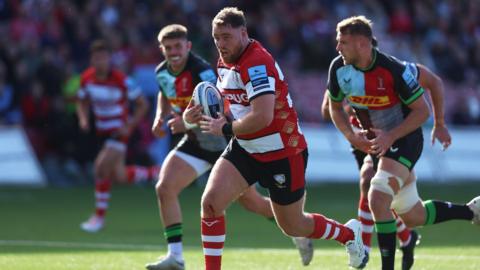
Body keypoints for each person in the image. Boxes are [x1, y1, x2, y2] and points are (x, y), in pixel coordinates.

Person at [196, 7, 369, 270]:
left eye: (226, 37)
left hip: (283, 153)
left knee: (293, 224)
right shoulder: (225, 60)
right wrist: (198, 109)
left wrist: (226, 129)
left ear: (243, 33)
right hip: (246, 148)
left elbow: (262, 116)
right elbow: (232, 101)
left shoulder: (256, 63)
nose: (220, 43)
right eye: (216, 37)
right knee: (210, 204)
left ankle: (348, 234)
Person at [145, 24, 312, 270]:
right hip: (195, 142)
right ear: (162, 50)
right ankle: (176, 257)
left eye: (178, 46)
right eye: (168, 48)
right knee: (165, 187)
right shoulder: (162, 72)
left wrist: (187, 122)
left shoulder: (203, 72)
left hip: (222, 142)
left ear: (188, 46)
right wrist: (161, 116)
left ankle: (298, 228)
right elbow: (164, 92)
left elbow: (220, 106)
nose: (174, 52)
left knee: (254, 204)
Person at [327, 15, 480, 270]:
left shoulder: (396, 70)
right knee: (413, 215)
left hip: (405, 138)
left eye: (343, 42)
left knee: (376, 195)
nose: (337, 47)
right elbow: (334, 107)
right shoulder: (339, 68)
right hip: (378, 142)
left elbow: (423, 108)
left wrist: (439, 124)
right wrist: (351, 136)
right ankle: (471, 212)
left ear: (363, 44)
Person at [321, 57, 452, 269]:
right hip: (361, 138)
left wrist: (439, 123)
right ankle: (406, 238)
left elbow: (433, 81)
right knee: (382, 197)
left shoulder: (397, 70)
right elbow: (327, 110)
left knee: (372, 185)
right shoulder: (342, 72)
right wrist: (345, 108)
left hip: (394, 138)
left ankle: (363, 249)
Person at [77, 40, 153, 232]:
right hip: (101, 132)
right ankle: (154, 173)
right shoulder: (87, 78)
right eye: (96, 58)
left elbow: (143, 104)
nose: (100, 61)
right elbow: (81, 101)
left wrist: (129, 125)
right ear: (91, 60)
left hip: (118, 132)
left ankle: (98, 218)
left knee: (100, 168)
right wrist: (83, 119)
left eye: (103, 57)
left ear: (109, 59)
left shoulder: (122, 80)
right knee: (119, 176)